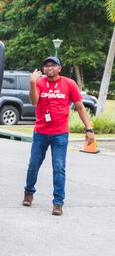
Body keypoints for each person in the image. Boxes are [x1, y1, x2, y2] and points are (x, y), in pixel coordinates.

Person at [22, 56, 95, 216]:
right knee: (33, 165)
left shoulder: (69, 84)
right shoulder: (40, 83)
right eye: (46, 66)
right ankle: (29, 192)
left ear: (59, 68)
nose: (49, 68)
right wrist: (32, 83)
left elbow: (80, 107)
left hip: (60, 134)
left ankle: (58, 203)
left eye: (53, 65)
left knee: (59, 167)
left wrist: (89, 128)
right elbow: (34, 101)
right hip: (40, 132)